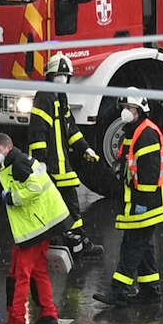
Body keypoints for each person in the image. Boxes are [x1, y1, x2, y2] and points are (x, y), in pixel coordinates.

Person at [95, 96, 163, 307]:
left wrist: (143, 204)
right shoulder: (133, 131)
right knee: (144, 246)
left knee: (132, 246)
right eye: (124, 107)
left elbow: (149, 173)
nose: (125, 111)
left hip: (149, 202)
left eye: (129, 107)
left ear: (139, 109)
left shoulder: (146, 133)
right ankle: (150, 291)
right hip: (143, 201)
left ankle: (119, 291)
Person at [0, 132, 68, 324]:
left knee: (19, 274)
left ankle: (16, 322)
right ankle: (49, 315)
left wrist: (12, 198)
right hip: (42, 225)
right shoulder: (19, 161)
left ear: (8, 147)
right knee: (39, 270)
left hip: (33, 228)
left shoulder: (18, 164)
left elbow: (35, 188)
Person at [30, 52, 102, 256]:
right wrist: (41, 161)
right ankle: (67, 243)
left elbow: (70, 128)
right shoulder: (44, 97)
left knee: (68, 204)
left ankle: (75, 242)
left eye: (65, 76)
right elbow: (38, 132)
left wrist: (85, 148)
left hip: (62, 166)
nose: (62, 80)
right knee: (56, 206)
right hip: (50, 166)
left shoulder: (60, 97)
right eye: (58, 76)